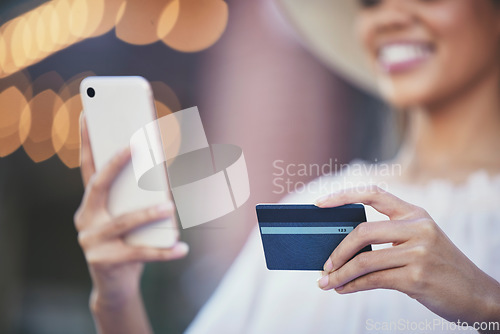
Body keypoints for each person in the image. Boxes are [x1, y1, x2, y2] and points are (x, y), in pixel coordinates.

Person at [74, 0, 500, 332]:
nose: (388, 16)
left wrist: (485, 304)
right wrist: (116, 297)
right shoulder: (314, 208)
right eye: (370, 1)